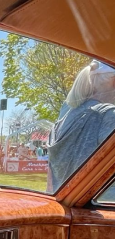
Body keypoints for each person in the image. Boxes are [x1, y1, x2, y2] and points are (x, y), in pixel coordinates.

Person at [47, 60, 114, 190]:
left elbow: (50, 184)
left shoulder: (61, 120)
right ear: (113, 82)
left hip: (68, 206)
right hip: (104, 206)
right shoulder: (107, 115)